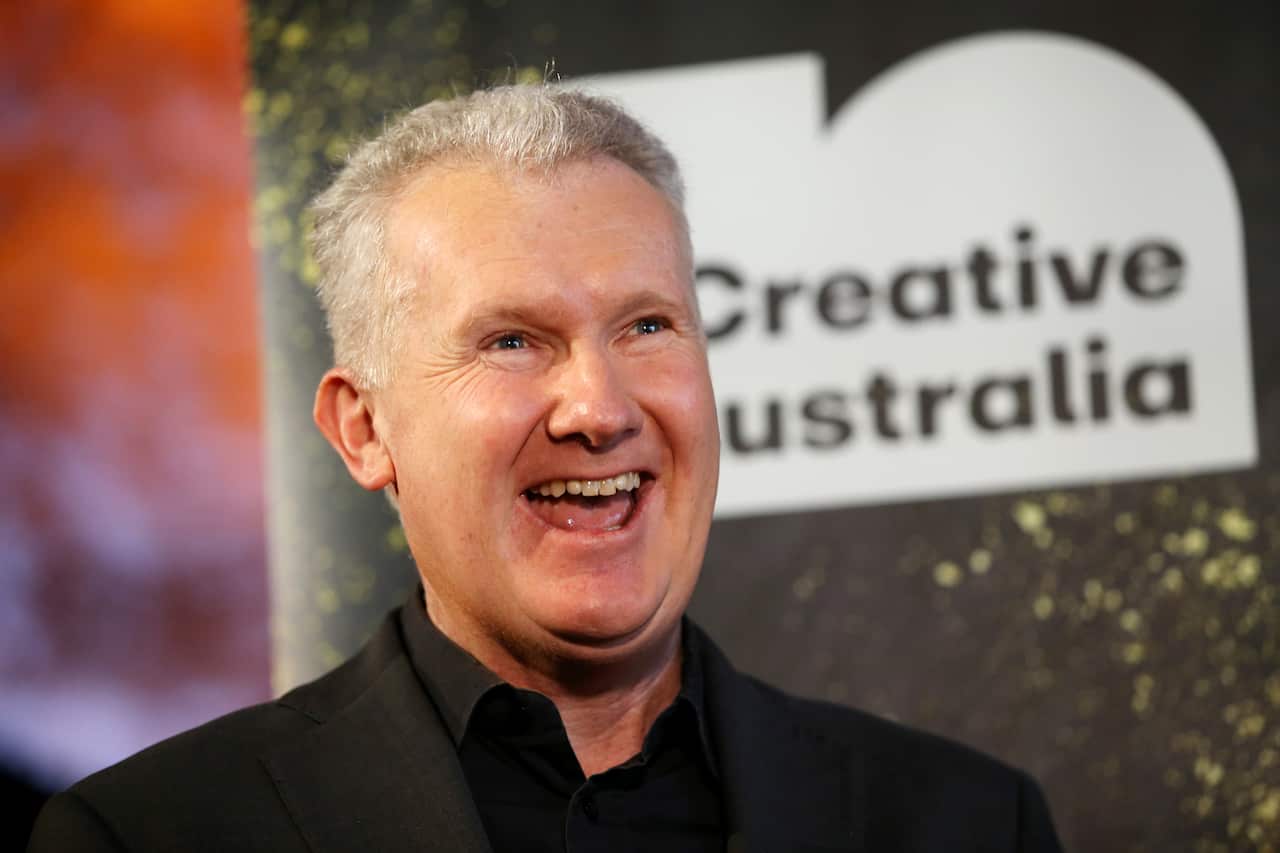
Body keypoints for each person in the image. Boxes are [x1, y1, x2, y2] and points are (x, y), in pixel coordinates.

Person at [29, 84, 1063, 852]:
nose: (601, 408)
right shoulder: (151, 838)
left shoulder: (965, 822)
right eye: (511, 341)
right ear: (363, 430)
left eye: (647, 324)